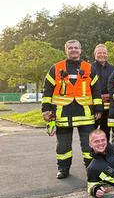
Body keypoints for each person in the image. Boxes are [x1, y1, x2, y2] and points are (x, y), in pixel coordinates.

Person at [41, 39, 103, 179]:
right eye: (70, 48)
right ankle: (63, 169)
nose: (73, 50)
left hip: (85, 114)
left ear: (80, 50)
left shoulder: (89, 68)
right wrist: (45, 109)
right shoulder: (56, 68)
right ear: (66, 50)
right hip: (63, 114)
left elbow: (96, 90)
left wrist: (98, 108)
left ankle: (91, 169)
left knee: (89, 145)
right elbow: (47, 91)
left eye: (76, 47)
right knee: (63, 145)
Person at [91, 44, 114, 142]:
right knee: (91, 133)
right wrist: (98, 96)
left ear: (107, 54)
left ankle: (105, 154)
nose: (102, 55)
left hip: (108, 108)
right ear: (95, 54)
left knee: (106, 132)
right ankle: (91, 155)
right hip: (93, 107)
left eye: (104, 53)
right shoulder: (88, 68)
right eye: (99, 53)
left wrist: (110, 95)